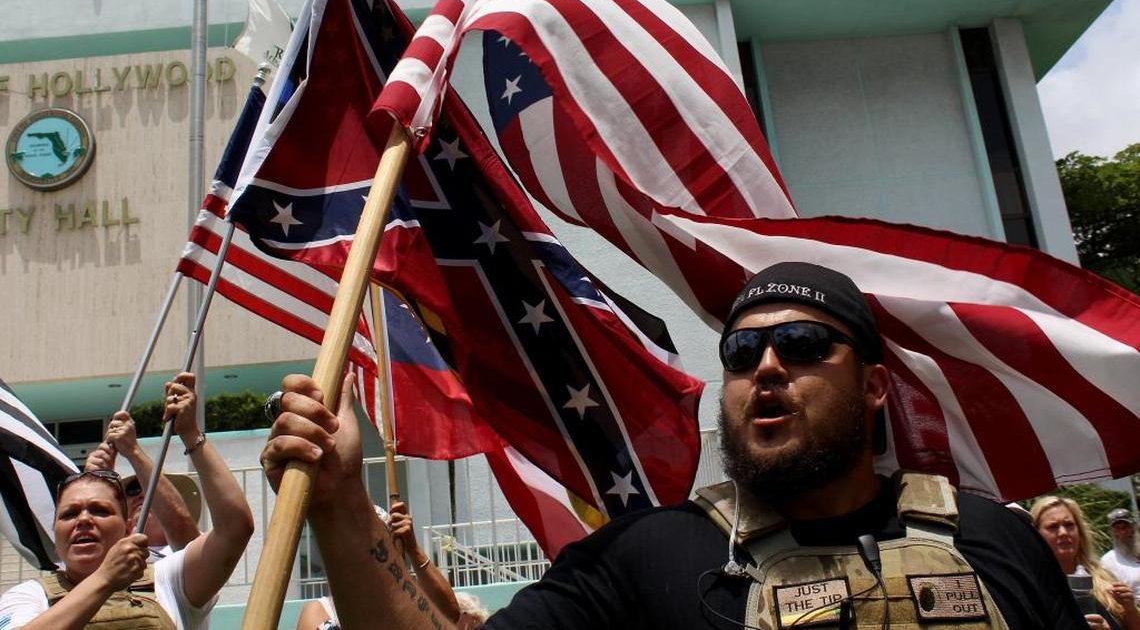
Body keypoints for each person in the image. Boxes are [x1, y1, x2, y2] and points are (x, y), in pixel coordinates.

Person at [261, 261, 1087, 629]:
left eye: (802, 344)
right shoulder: (649, 557)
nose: (765, 366)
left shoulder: (994, 540)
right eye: (740, 351)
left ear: (873, 386)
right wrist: (340, 504)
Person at [0, 372, 255, 629]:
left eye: (99, 510)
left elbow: (234, 528)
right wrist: (106, 577)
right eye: (69, 514)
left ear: (128, 527)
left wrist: (190, 434)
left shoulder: (168, 579)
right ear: (55, 532)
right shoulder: (30, 597)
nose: (84, 520)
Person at [296, 502, 460, 629]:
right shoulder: (320, 613)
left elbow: (449, 613)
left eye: (376, 543)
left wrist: (413, 549)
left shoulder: (407, 602)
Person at [84, 409, 201, 559]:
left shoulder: (191, 552)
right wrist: (96, 483)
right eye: (132, 490)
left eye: (150, 488)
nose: (141, 494)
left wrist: (133, 451)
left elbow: (182, 529)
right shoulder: (103, 556)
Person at [1031, 496, 1140, 630]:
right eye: (1053, 527)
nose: (1063, 532)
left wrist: (1130, 610)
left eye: (1069, 525)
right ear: (1036, 534)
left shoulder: (1104, 579)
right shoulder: (1036, 591)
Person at [1102, 509, 1140, 600]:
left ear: (1133, 528)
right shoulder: (1108, 561)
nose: (1122, 532)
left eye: (1125, 527)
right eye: (1117, 528)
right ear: (1112, 532)